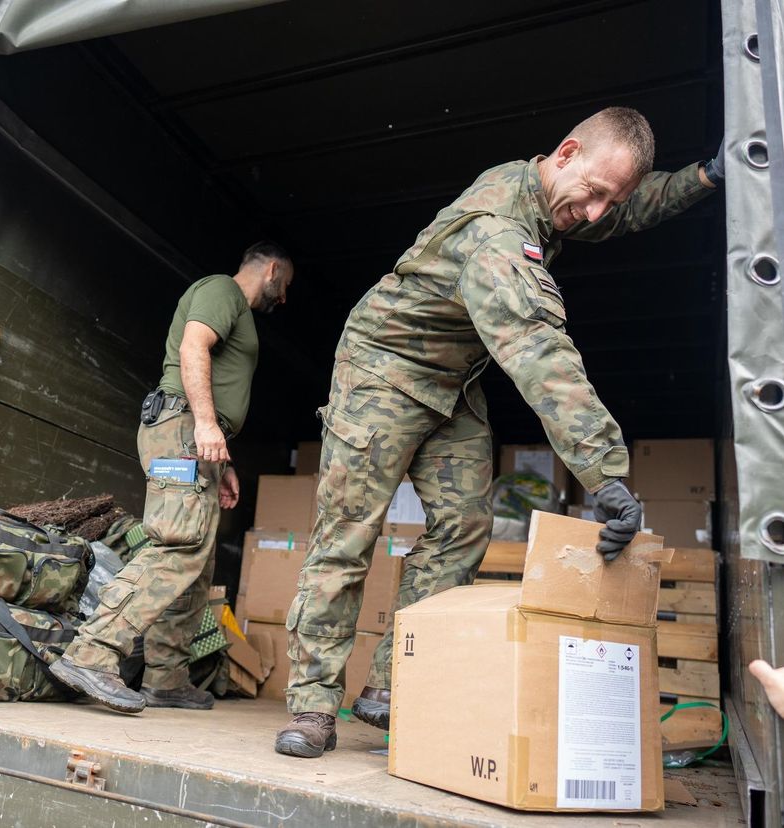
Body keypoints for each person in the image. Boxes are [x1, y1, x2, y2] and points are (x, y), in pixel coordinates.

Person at [274, 107, 725, 758]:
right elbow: (539, 353)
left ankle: (392, 683)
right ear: (566, 154)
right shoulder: (497, 231)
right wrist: (607, 477)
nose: (598, 214)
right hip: (384, 369)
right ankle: (314, 708)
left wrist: (704, 178)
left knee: (463, 527)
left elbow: (626, 207)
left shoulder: (555, 197)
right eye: (595, 193)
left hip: (451, 382)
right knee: (347, 538)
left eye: (610, 199)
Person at [52, 242, 294, 714]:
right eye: (285, 285)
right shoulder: (223, 290)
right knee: (178, 546)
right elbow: (193, 346)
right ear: (270, 269)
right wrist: (204, 425)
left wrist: (221, 464)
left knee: (196, 563)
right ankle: (91, 654)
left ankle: (166, 679)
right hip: (184, 427)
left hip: (196, 437)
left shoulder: (236, 311)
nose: (283, 298)